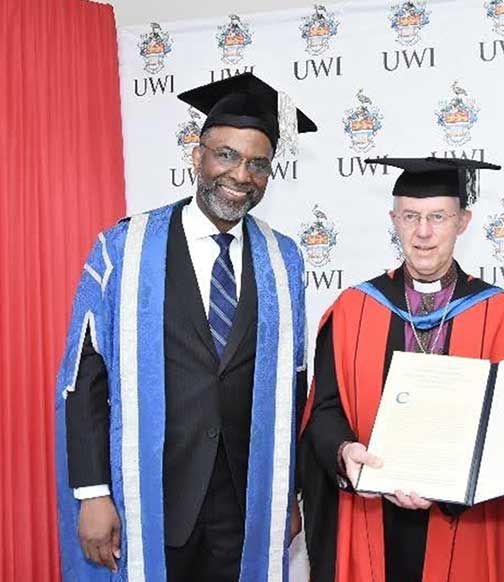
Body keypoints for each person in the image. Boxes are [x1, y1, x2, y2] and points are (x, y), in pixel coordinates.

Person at [55, 72, 316, 581]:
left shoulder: (284, 259)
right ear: (196, 156)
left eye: (258, 164)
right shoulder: (125, 249)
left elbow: (294, 384)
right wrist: (92, 493)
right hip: (150, 495)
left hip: (246, 500)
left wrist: (291, 494)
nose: (241, 175)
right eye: (226, 155)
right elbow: (85, 376)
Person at [299, 157, 504, 582]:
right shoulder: (352, 310)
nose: (423, 232)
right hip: (372, 516)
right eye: (411, 217)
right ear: (394, 220)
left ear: (463, 222)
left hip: (467, 521)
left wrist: (454, 482)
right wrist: (343, 454)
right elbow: (323, 410)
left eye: (438, 217)